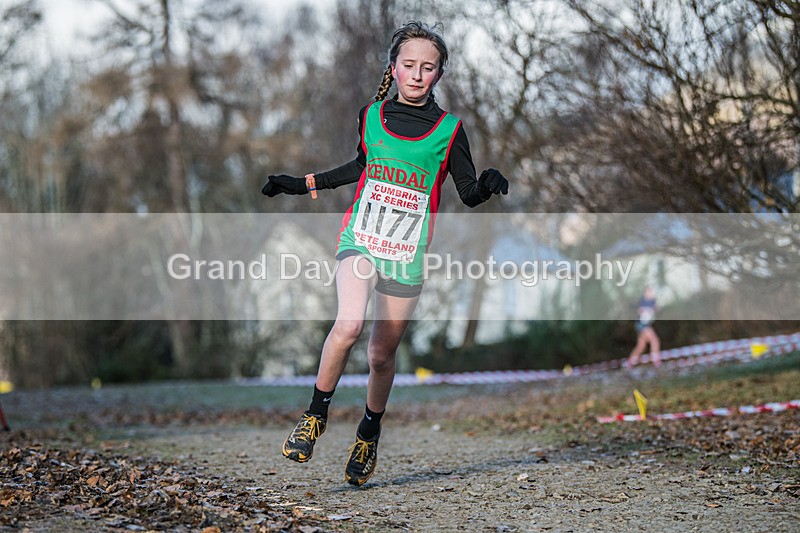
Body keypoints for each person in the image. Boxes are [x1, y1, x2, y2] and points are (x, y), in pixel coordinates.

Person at [261, 20, 508, 486]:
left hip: (407, 254)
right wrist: (302, 184)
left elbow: (468, 190)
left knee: (380, 355)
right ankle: (315, 416)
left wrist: (488, 184)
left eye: (428, 68)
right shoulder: (370, 115)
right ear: (393, 68)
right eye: (409, 65)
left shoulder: (451, 131)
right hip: (360, 239)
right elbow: (361, 165)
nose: (417, 75)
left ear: (438, 75)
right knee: (349, 324)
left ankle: (369, 433)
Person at [626, 287, 661, 368]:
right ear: (646, 293)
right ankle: (656, 361)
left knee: (641, 346)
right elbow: (644, 312)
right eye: (650, 292)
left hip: (641, 325)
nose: (652, 294)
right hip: (643, 325)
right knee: (654, 340)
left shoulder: (649, 302)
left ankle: (630, 362)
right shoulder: (645, 302)